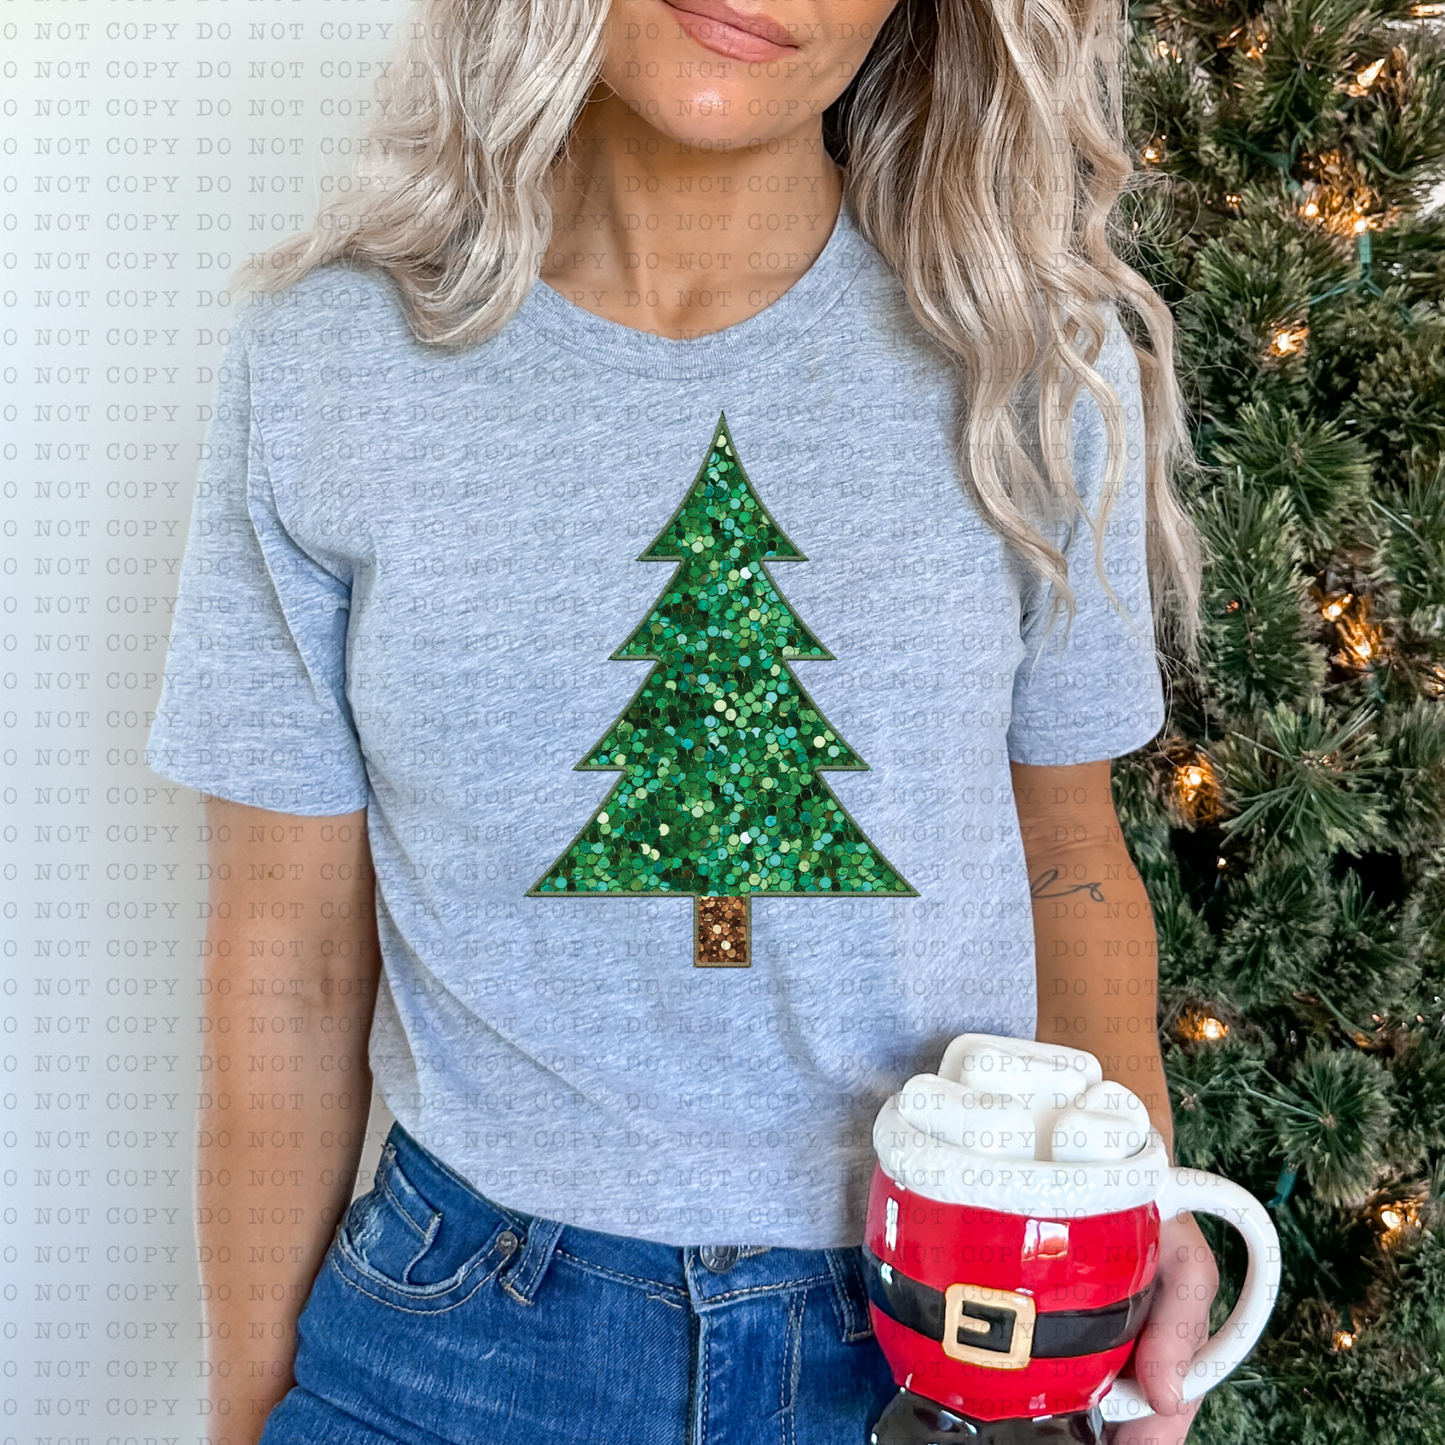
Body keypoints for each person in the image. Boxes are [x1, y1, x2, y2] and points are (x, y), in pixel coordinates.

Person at [149, 0, 1216, 1438]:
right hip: (453, 1343)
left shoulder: (1035, 369)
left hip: (939, 1332)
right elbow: (291, 954)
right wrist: (246, 1412)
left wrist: (1126, 1210)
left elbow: (1068, 855)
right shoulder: (329, 362)